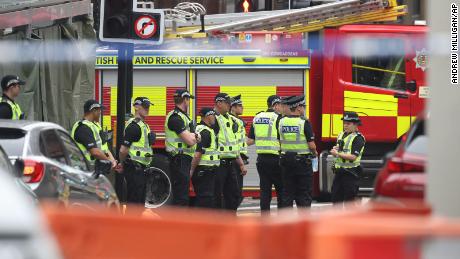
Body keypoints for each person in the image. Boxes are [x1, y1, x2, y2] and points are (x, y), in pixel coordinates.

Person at [278, 95, 318, 208]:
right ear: (298, 108)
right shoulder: (304, 123)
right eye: (303, 107)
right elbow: (311, 145)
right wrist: (315, 153)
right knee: (304, 193)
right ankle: (303, 223)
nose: (304, 109)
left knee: (287, 193)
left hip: (286, 161)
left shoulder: (281, 122)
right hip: (302, 163)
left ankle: (286, 222)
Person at [247, 95, 284, 211]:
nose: (282, 108)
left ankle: (264, 219)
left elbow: (250, 141)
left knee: (265, 191)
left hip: (262, 160)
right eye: (281, 105)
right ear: (276, 105)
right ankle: (282, 220)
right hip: (277, 160)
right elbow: (283, 139)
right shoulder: (279, 119)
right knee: (281, 190)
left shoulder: (257, 117)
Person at [165, 89, 200, 206]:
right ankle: (178, 223)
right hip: (179, 159)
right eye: (188, 99)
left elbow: (194, 137)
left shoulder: (184, 117)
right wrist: (195, 136)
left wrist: (194, 136)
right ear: (185, 100)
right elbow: (190, 140)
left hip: (184, 159)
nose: (189, 102)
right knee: (181, 196)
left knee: (183, 194)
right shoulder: (175, 118)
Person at [213, 93, 247, 211]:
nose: (229, 105)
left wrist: (241, 163)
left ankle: (231, 222)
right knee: (216, 195)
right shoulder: (213, 118)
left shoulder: (231, 119)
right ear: (219, 103)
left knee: (234, 195)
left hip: (231, 162)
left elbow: (233, 144)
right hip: (218, 163)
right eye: (227, 103)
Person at [119, 97, 155, 204]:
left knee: (139, 203)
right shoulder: (134, 126)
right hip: (134, 169)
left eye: (148, 106)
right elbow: (123, 150)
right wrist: (121, 164)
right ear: (136, 107)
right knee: (134, 203)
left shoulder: (144, 125)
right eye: (144, 106)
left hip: (141, 169)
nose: (147, 109)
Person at [330, 111, 365, 205]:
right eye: (344, 123)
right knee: (336, 199)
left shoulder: (358, 138)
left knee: (349, 202)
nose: (345, 125)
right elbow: (341, 149)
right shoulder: (342, 134)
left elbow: (353, 157)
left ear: (355, 124)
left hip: (351, 174)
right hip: (339, 172)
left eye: (348, 124)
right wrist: (335, 149)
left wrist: (337, 154)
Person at [71, 99, 117, 169]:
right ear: (93, 110)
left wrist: (113, 161)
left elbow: (105, 148)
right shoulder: (83, 128)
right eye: (99, 110)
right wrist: (109, 162)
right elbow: (95, 152)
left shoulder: (96, 125)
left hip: (96, 168)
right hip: (85, 170)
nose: (100, 113)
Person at [189, 107, 219, 208]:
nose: (214, 117)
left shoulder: (202, 129)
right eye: (213, 115)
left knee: (206, 198)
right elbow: (198, 154)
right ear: (208, 116)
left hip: (206, 171)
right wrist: (191, 170)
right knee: (205, 200)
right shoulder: (205, 132)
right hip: (204, 171)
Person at [229, 94, 247, 205]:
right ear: (233, 107)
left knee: (237, 193)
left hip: (239, 158)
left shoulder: (238, 121)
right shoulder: (232, 122)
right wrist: (240, 163)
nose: (242, 107)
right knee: (235, 193)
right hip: (235, 159)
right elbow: (234, 143)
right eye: (240, 105)